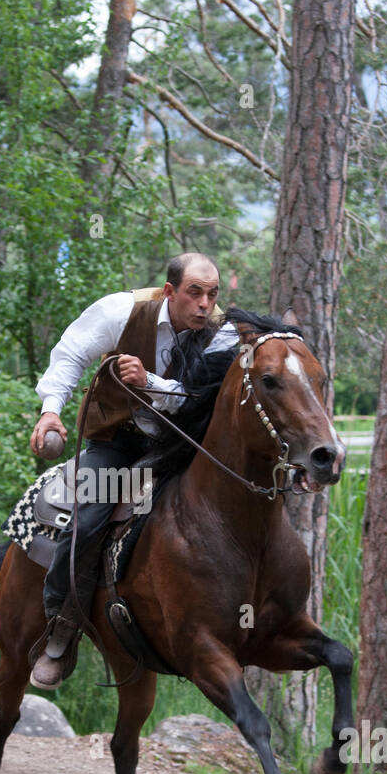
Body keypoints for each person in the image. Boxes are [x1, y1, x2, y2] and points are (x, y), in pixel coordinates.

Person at [28, 252, 238, 689]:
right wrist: (51, 413)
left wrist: (150, 383)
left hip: (182, 443)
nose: (205, 304)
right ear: (169, 292)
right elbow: (69, 356)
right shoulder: (120, 311)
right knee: (88, 519)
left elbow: (201, 397)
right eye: (194, 293)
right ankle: (61, 627)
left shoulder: (223, 334)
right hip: (119, 441)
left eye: (212, 294)